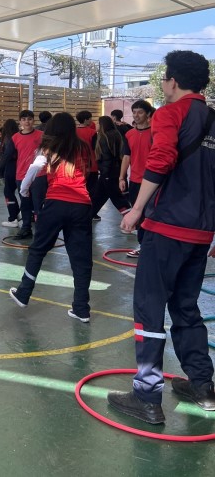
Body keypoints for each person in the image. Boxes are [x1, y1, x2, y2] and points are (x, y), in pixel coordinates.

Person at [107, 50, 215, 425]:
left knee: (149, 309)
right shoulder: (213, 118)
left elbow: (162, 159)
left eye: (165, 78)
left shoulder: (170, 114)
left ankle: (147, 396)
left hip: (166, 227)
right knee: (186, 306)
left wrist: (136, 208)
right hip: (200, 233)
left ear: (172, 81)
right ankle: (203, 386)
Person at [9, 112, 93, 322]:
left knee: (38, 250)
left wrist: (24, 191)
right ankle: (81, 308)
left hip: (56, 203)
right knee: (81, 259)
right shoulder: (83, 147)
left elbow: (32, 171)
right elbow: (89, 172)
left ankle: (24, 293)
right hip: (82, 206)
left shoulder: (47, 148)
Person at [118, 100, 153, 256]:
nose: (136, 115)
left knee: (151, 214)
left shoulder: (155, 133)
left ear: (148, 114)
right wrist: (121, 178)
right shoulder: (129, 134)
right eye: (134, 112)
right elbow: (126, 157)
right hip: (135, 181)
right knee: (138, 215)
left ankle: (151, 245)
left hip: (152, 182)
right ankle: (142, 245)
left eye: (140, 112)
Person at [11, 110, 45, 240]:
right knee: (25, 203)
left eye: (29, 119)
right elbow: (8, 154)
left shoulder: (41, 135)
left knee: (38, 204)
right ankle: (26, 228)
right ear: (20, 121)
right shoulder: (15, 137)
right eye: (24, 119)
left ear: (33, 120)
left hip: (38, 174)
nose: (27, 122)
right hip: (21, 175)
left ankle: (42, 231)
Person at [90, 116, 130, 219]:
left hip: (108, 174)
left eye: (98, 123)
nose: (96, 125)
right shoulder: (116, 135)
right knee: (98, 196)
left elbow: (107, 159)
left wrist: (105, 174)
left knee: (117, 198)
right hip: (115, 171)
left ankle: (130, 218)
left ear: (102, 125)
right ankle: (88, 215)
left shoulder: (104, 138)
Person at [0, 119, 20, 228]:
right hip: (20, 168)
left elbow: (7, 155)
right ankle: (17, 213)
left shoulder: (9, 139)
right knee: (16, 192)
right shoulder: (18, 136)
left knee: (8, 192)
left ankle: (13, 218)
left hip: (11, 167)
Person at [76, 110, 99, 199]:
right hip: (91, 165)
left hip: (76, 165)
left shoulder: (73, 131)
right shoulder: (92, 132)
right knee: (91, 191)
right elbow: (95, 148)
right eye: (90, 118)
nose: (91, 120)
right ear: (86, 120)